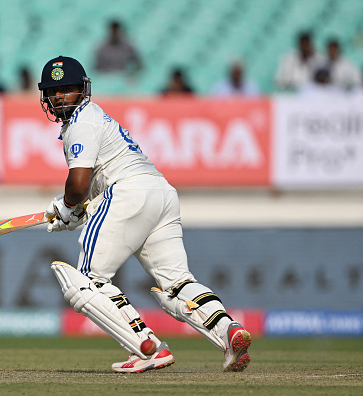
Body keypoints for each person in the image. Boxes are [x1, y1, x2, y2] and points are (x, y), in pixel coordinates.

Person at [38, 55, 251, 373]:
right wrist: (68, 208)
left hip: (129, 193)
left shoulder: (80, 123)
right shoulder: (96, 118)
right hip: (160, 192)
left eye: (67, 89)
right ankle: (229, 330)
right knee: (177, 284)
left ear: (83, 90)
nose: (59, 97)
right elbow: (94, 191)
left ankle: (147, 348)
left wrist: (69, 207)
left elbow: (80, 185)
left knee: (86, 282)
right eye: (54, 91)